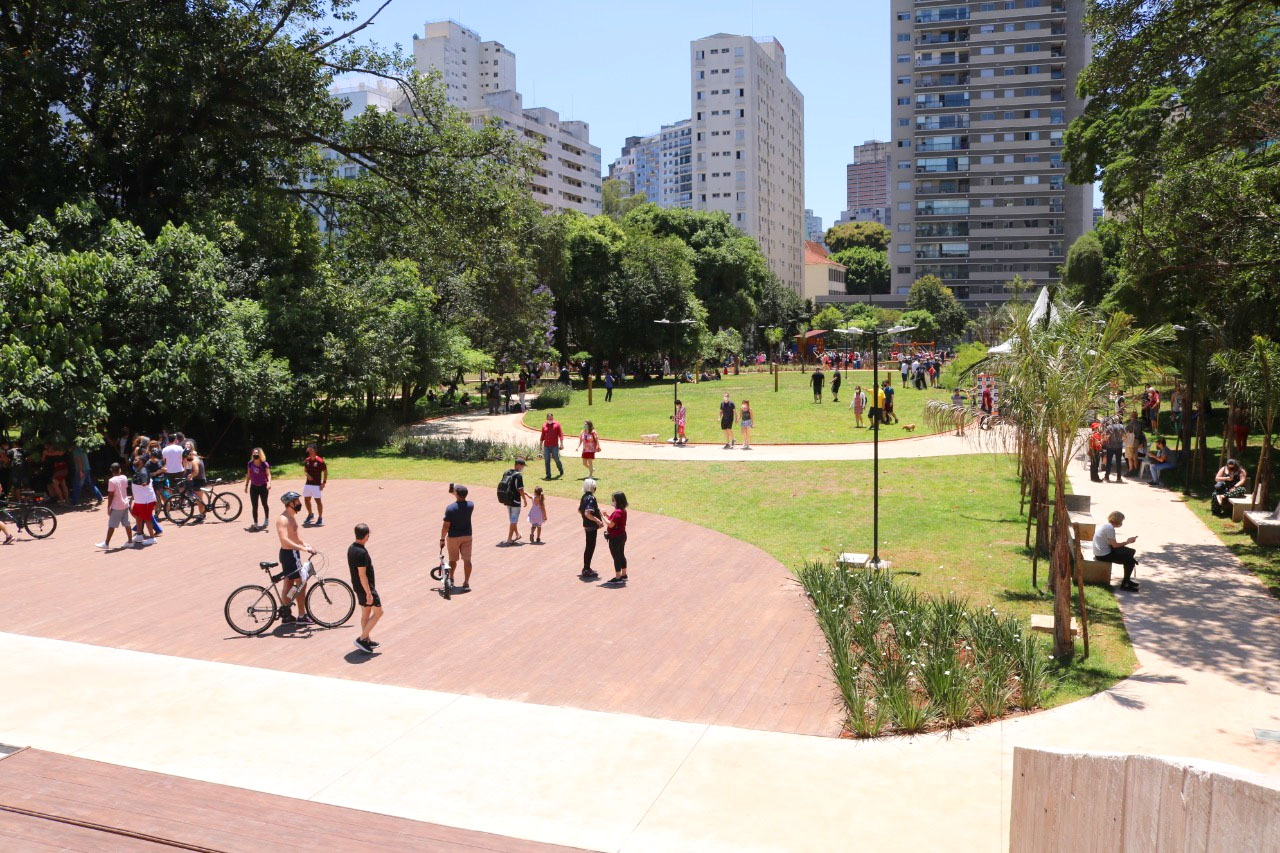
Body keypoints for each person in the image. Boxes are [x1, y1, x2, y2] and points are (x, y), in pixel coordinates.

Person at [275, 490, 316, 623]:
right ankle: (302, 615)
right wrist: (302, 548)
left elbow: (295, 536)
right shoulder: (283, 519)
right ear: (290, 503)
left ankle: (286, 613)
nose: (300, 503)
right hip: (289, 554)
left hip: (292, 554)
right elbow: (285, 539)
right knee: (301, 583)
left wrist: (306, 545)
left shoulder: (291, 517)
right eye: (297, 501)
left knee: (289, 583)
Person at [348, 523, 382, 654]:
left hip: (358, 587)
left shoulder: (351, 548)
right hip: (365, 588)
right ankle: (361, 639)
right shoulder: (361, 552)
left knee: (366, 613)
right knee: (379, 612)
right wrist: (369, 593)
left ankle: (367, 639)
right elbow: (362, 575)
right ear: (366, 535)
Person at [1093, 510, 1140, 592]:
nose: (1122, 523)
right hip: (1103, 555)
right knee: (1130, 561)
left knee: (1130, 552)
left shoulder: (1106, 526)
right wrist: (1127, 542)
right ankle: (1125, 584)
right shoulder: (1110, 529)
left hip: (1100, 552)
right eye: (1121, 520)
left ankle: (1127, 580)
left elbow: (1112, 544)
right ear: (1118, 520)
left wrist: (1126, 543)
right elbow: (1115, 545)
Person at [440, 484, 474, 591]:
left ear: (456, 494)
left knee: (453, 560)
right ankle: (466, 583)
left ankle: (451, 578)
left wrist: (442, 539)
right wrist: (454, 492)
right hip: (467, 536)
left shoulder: (450, 509)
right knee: (467, 560)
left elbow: (446, 526)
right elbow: (460, 500)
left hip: (453, 537)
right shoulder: (470, 505)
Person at [96, 463, 132, 550]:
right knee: (127, 523)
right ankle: (130, 541)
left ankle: (106, 543)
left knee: (112, 525)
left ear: (111, 471)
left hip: (117, 506)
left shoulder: (111, 481)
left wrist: (109, 507)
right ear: (120, 469)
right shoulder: (124, 477)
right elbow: (125, 489)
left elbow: (111, 495)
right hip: (125, 503)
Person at [128, 457, 158, 545]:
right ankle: (139, 534)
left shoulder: (143, 471)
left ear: (141, 462)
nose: (134, 461)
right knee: (138, 516)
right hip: (139, 500)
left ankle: (152, 538)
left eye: (136, 460)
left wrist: (141, 481)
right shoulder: (140, 470)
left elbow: (144, 483)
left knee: (147, 518)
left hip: (146, 500)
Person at [578, 478, 603, 579]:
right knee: (590, 547)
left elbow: (580, 510)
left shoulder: (584, 496)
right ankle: (586, 569)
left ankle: (586, 567)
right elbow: (587, 512)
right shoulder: (591, 498)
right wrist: (597, 520)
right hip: (591, 526)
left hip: (587, 525)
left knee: (589, 546)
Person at [500, 457, 528, 544]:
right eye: (522, 466)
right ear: (519, 465)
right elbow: (520, 489)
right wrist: (524, 499)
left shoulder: (506, 472)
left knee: (512, 519)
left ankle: (517, 534)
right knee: (514, 520)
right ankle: (509, 539)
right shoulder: (518, 475)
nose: (522, 468)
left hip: (507, 499)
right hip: (515, 500)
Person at [603, 491, 629, 585]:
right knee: (621, 554)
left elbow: (611, 524)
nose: (612, 501)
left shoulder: (617, 512)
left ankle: (618, 577)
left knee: (616, 557)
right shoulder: (622, 511)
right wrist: (607, 515)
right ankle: (624, 574)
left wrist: (602, 516)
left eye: (613, 499)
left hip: (615, 538)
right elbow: (614, 520)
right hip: (622, 535)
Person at [245, 448, 271, 530]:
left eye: (257, 453)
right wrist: (246, 485)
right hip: (253, 487)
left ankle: (266, 518)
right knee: (254, 506)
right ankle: (255, 523)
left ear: (260, 454)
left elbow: (268, 474)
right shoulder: (250, 464)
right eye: (254, 453)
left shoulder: (264, 464)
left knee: (264, 503)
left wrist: (269, 483)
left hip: (263, 486)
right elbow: (248, 475)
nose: (255, 454)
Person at [302, 444, 327, 527]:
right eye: (308, 450)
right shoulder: (307, 460)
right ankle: (310, 515)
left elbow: (325, 472)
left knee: (318, 501)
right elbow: (305, 470)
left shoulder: (320, 461)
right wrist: (307, 475)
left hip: (316, 485)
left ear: (314, 450)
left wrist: (323, 483)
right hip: (308, 484)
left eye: (310, 450)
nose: (309, 451)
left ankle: (320, 518)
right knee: (306, 500)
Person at [185, 446, 208, 522]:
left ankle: (201, 515)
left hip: (199, 481)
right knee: (199, 499)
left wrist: (190, 476)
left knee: (199, 500)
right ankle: (203, 514)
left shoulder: (194, 461)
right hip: (200, 480)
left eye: (186, 457)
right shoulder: (197, 458)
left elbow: (196, 471)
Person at [540, 413, 565, 480]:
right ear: (547, 418)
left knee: (556, 459)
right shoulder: (544, 425)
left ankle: (561, 470)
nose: (550, 420)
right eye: (549, 418)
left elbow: (561, 435)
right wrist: (540, 445)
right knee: (547, 460)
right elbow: (542, 436)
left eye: (551, 418)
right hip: (546, 446)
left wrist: (562, 444)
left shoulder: (557, 425)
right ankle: (548, 475)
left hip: (554, 446)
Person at [1104, 416, 1126, 483]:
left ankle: (1107, 476)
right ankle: (1118, 478)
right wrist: (1121, 441)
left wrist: (1106, 441)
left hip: (1110, 446)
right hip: (1119, 446)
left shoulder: (1109, 427)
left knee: (1109, 462)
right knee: (1118, 462)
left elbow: (1106, 437)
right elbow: (1125, 436)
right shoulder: (1122, 427)